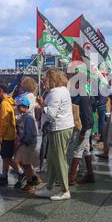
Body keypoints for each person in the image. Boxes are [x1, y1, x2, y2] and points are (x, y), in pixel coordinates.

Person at [35, 69, 74, 201]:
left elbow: (51, 114)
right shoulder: (63, 90)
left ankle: (65, 190)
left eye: (45, 79)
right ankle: (49, 187)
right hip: (64, 127)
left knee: (58, 159)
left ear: (51, 79)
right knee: (52, 159)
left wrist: (41, 106)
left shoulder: (55, 93)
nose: (43, 81)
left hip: (59, 128)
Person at [0, 81, 24, 187]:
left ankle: (21, 173)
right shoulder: (10, 100)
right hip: (11, 133)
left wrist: (0, 136)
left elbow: (4, 122)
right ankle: (4, 177)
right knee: (5, 157)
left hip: (7, 135)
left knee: (7, 158)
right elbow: (7, 117)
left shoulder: (4, 103)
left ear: (0, 90)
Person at [14, 95, 42, 193]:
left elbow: (32, 133)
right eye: (18, 107)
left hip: (28, 144)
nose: (20, 109)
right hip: (26, 143)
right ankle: (35, 179)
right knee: (26, 164)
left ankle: (30, 185)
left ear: (26, 107)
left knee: (27, 165)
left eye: (22, 107)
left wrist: (24, 141)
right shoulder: (25, 116)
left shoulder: (28, 118)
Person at [68, 90, 95, 185]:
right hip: (87, 126)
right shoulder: (85, 94)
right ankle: (90, 174)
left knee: (77, 151)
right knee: (86, 150)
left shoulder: (82, 96)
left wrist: (83, 132)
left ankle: (71, 178)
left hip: (84, 126)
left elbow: (85, 114)